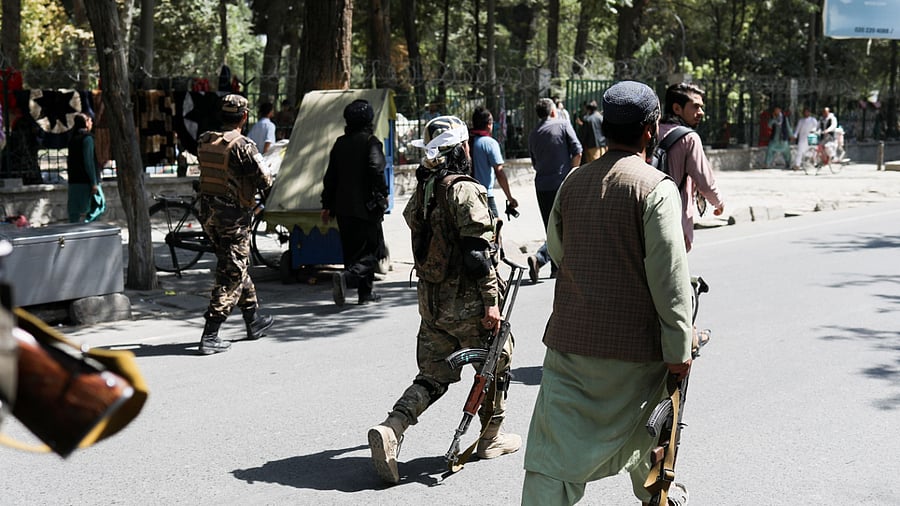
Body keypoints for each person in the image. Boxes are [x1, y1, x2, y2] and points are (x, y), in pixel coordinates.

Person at [521, 80, 694, 506]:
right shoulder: (655, 189)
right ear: (650, 130)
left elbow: (558, 251)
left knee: (551, 459)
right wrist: (678, 348)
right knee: (649, 430)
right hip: (634, 358)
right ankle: (661, 498)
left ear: (605, 129)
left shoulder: (573, 183)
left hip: (569, 350)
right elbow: (670, 281)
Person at [367, 115, 520, 485]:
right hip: (467, 303)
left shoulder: (424, 190)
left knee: (433, 376)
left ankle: (393, 427)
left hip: (432, 303)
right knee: (498, 360)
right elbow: (477, 253)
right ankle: (491, 437)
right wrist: (491, 303)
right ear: (462, 149)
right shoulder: (463, 190)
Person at [196, 94, 274, 355]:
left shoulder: (206, 140)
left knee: (235, 265)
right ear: (244, 116)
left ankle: (253, 320)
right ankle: (211, 334)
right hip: (233, 219)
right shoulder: (243, 146)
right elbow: (265, 181)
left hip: (209, 216)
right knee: (232, 272)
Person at [321, 99, 389, 306]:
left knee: (353, 252)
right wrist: (382, 194)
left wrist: (328, 204)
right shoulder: (370, 142)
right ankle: (347, 278)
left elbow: (330, 177)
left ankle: (365, 293)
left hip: (342, 209)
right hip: (366, 208)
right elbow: (376, 169)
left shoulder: (340, 143)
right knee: (375, 251)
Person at [659, 82, 725, 252]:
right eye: (695, 106)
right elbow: (704, 181)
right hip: (675, 220)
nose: (701, 112)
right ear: (677, 108)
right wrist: (718, 203)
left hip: (646, 216)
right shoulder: (689, 138)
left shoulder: (651, 131)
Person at [526, 98, 582, 283]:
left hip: (542, 186)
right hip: (562, 183)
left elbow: (534, 163)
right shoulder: (564, 124)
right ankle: (542, 258)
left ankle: (555, 268)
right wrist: (572, 175)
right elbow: (577, 151)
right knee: (566, 226)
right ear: (552, 112)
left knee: (551, 227)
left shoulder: (533, 134)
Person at [470, 106, 518, 219]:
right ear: (489, 124)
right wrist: (510, 198)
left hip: (468, 195)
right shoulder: (489, 143)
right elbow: (499, 172)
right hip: (485, 196)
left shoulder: (467, 141)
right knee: (495, 232)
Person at [66, 113, 100, 223]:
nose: (91, 123)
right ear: (85, 123)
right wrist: (94, 182)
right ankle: (86, 225)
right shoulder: (87, 139)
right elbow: (88, 161)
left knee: (74, 212)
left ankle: (74, 230)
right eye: (89, 120)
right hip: (86, 181)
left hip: (74, 180)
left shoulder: (72, 139)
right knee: (99, 205)